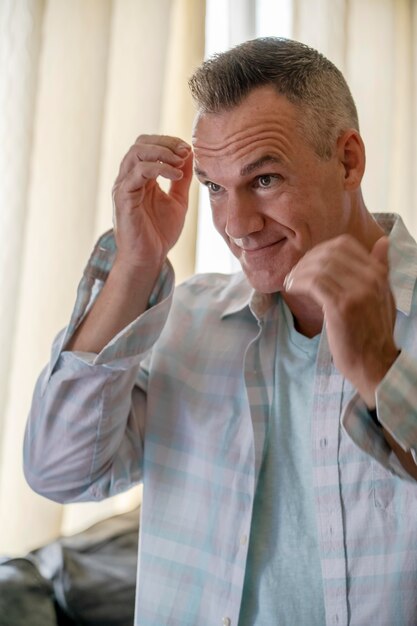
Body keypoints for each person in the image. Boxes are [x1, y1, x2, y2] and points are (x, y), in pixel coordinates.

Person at [24, 37, 417, 626]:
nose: (236, 225)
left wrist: (382, 372)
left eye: (264, 180)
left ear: (348, 161)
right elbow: (59, 470)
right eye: (212, 186)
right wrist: (135, 269)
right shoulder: (185, 322)